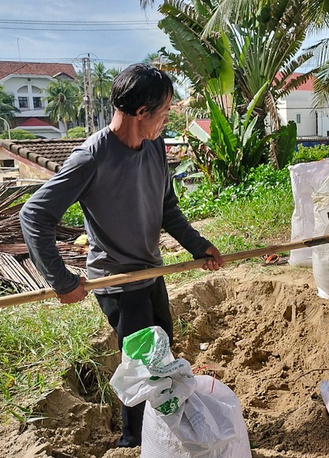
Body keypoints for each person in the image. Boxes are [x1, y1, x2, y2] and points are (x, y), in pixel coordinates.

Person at [20, 63, 224, 448]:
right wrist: (61, 280)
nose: (167, 120)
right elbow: (34, 215)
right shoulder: (91, 158)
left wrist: (198, 245)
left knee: (162, 355)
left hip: (150, 273)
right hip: (117, 282)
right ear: (141, 112)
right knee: (144, 366)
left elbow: (167, 209)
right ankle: (133, 443)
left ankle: (163, 433)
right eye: (164, 112)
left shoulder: (155, 146)